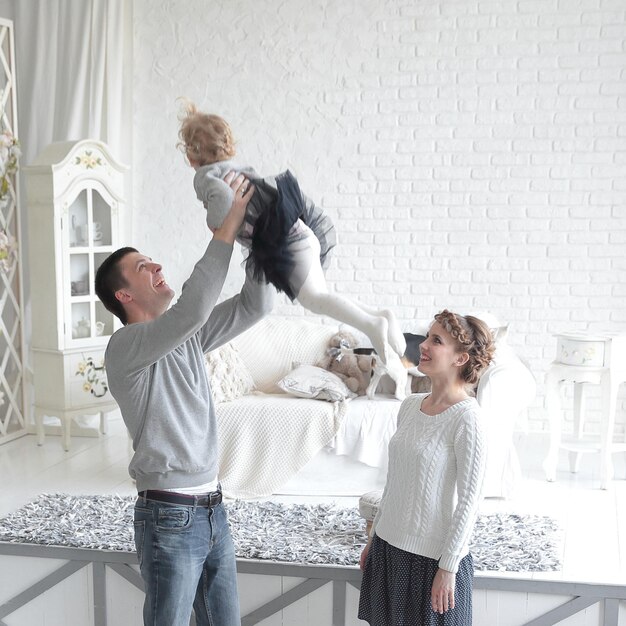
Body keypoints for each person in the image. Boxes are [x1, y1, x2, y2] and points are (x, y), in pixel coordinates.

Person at [95, 172, 274, 626]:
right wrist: (225, 230)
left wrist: (255, 238)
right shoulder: (126, 348)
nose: (158, 269)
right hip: (168, 515)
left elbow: (255, 306)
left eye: (154, 262)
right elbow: (193, 308)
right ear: (124, 295)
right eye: (143, 268)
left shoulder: (187, 338)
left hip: (214, 508)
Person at [177, 102, 408, 399]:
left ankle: (372, 323)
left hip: (284, 242)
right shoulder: (237, 167)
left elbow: (221, 198)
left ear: (191, 154)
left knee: (314, 299)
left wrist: (215, 222)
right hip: (298, 231)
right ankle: (379, 314)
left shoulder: (207, 177)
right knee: (321, 296)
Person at [358, 309, 495, 626]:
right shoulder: (409, 405)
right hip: (387, 550)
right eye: (427, 337)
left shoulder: (467, 419)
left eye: (437, 340)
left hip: (430, 562)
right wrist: (374, 537)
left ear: (460, 358)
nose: (423, 345)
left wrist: (448, 567)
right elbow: (394, 482)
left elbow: (470, 501)